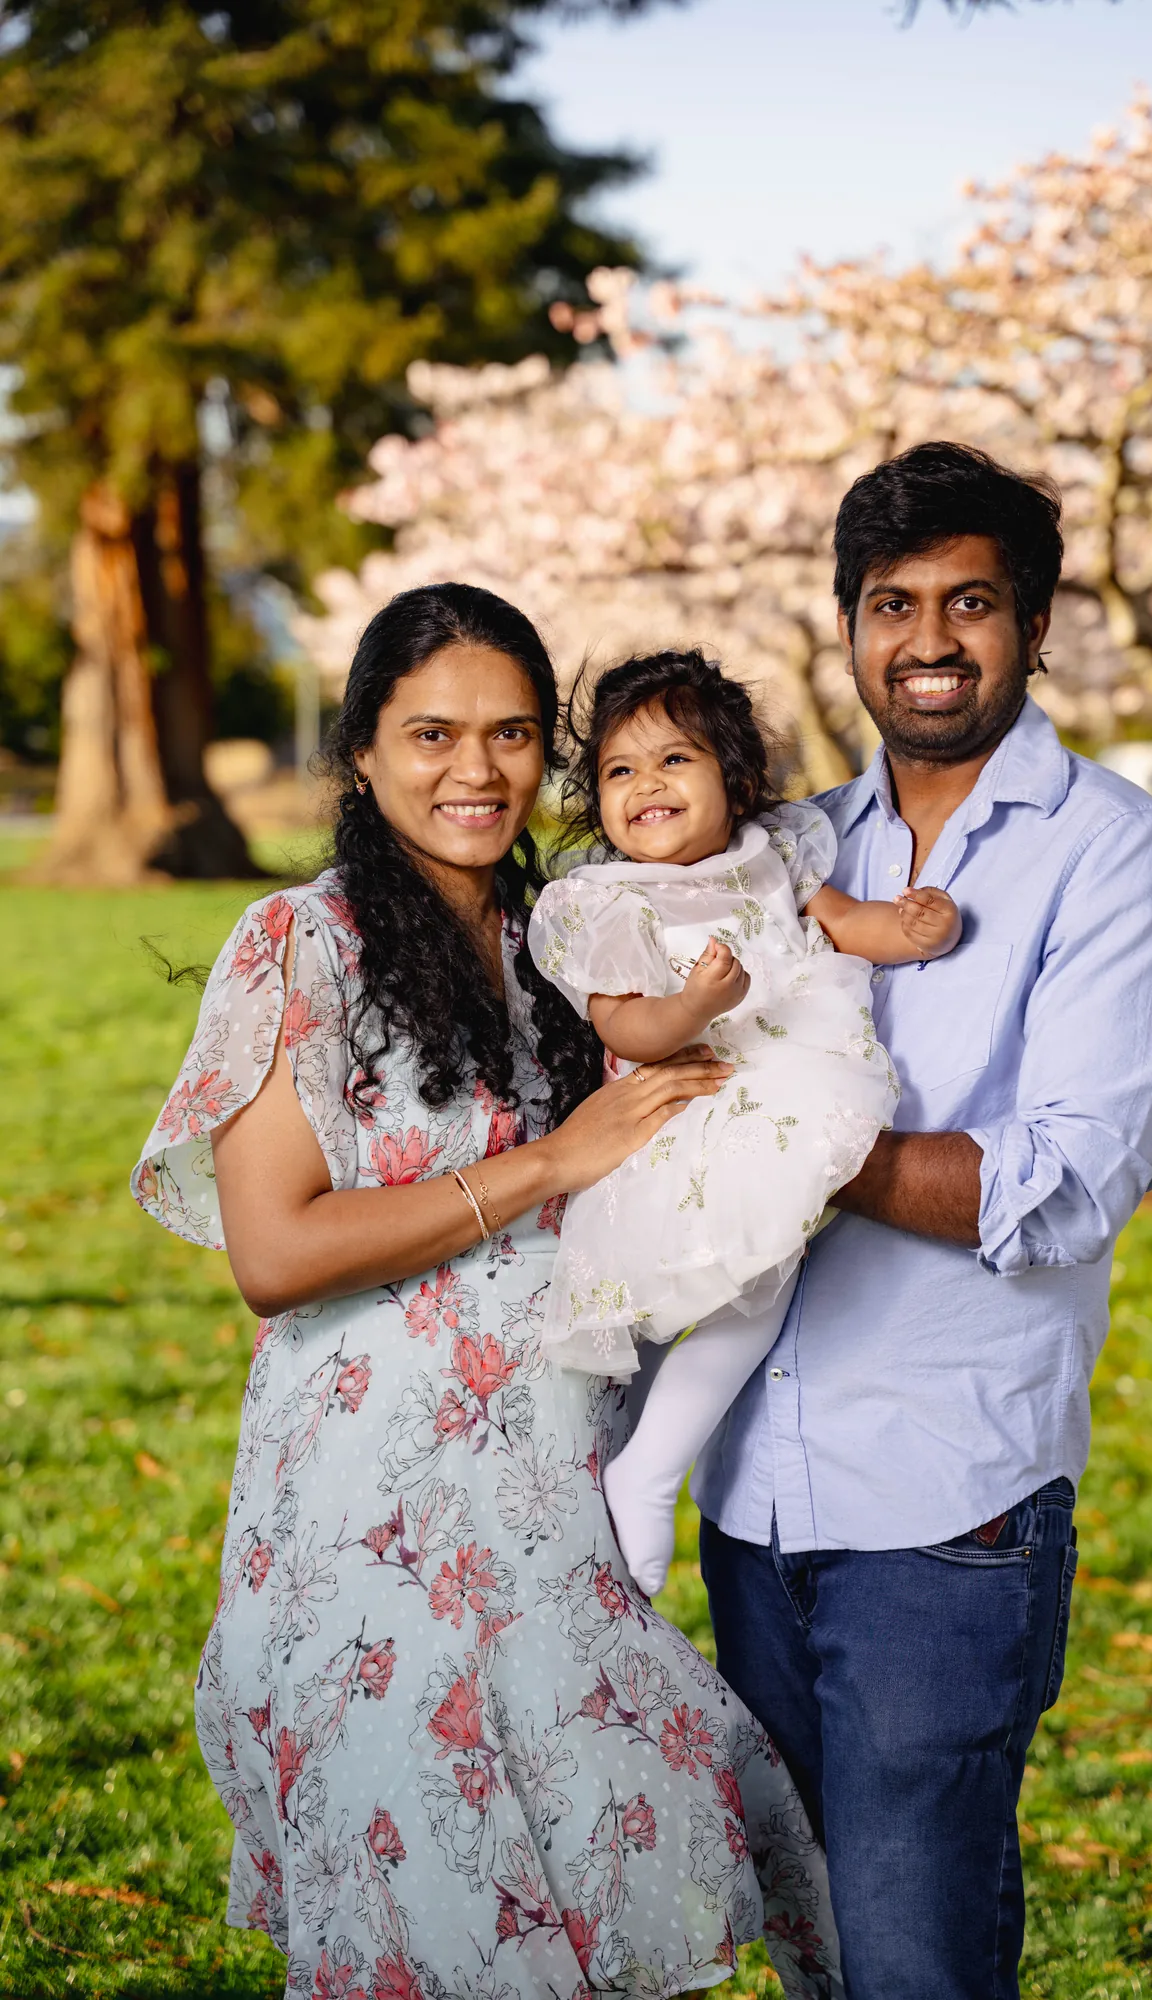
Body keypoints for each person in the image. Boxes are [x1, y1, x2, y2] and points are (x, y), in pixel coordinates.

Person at [131, 584, 844, 2000]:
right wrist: (548, 1165)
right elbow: (274, 1254)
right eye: (432, 734)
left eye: (512, 734)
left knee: (579, 1883)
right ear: (361, 751)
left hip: (555, 1485)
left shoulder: (567, 938)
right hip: (374, 1509)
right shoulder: (304, 943)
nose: (477, 770)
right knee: (433, 1907)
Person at [692, 443, 1152, 2000]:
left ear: (1034, 626)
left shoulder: (1107, 849)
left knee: (915, 1962)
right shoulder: (788, 851)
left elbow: (1066, 1185)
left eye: (969, 603)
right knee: (814, 1951)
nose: (927, 639)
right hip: (749, 1494)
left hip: (946, 1507)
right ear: (849, 628)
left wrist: (785, 1131)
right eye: (891, 604)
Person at [529, 650, 958, 1597]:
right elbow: (626, 1028)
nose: (646, 785)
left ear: (737, 777)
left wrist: (915, 929)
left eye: (674, 760)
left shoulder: (773, 856)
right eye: (619, 770)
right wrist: (691, 1005)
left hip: (783, 1103)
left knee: (750, 1296)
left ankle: (652, 1472)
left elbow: (848, 925)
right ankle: (598, 1484)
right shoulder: (607, 901)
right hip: (683, 1121)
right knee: (645, 1317)